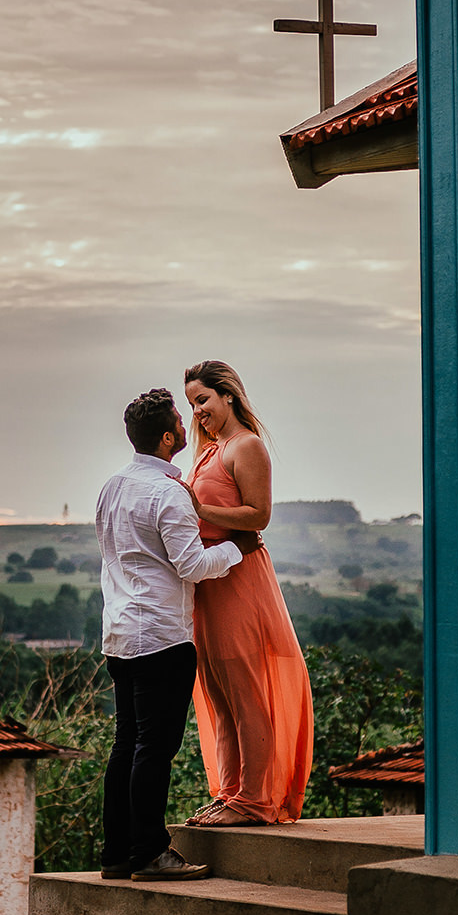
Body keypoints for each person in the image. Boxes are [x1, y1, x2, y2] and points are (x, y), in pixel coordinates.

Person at [96, 387, 252, 880]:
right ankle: (150, 851)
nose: (190, 427)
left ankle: (117, 853)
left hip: (120, 634)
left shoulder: (112, 487)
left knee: (127, 745)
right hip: (162, 636)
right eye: (181, 425)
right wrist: (237, 549)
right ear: (168, 439)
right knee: (154, 749)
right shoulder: (169, 493)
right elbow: (192, 564)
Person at [181, 359, 313, 827]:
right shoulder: (207, 452)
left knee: (245, 689)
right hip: (208, 583)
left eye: (203, 400)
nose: (198, 411)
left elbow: (258, 515)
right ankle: (230, 791)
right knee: (217, 691)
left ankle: (255, 800)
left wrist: (200, 507)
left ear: (229, 396)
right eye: (192, 403)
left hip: (239, 577)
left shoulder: (247, 446)